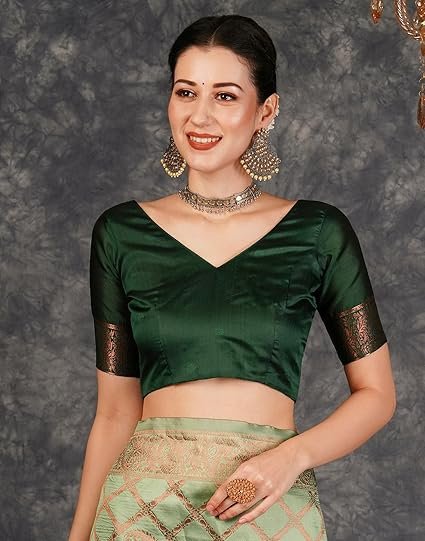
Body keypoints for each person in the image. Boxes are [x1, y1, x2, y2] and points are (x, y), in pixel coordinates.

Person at [68, 14, 396, 541]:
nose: (199, 116)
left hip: (266, 505)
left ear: (266, 111)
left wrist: (292, 457)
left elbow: (377, 395)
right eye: (185, 92)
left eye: (224, 96)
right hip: (142, 509)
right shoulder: (122, 233)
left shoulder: (318, 232)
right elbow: (113, 413)